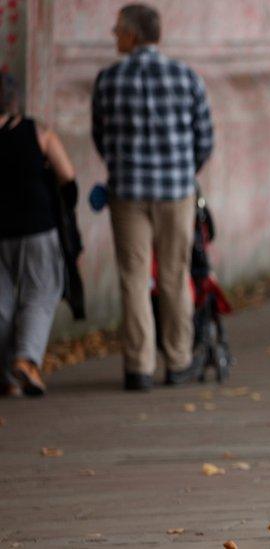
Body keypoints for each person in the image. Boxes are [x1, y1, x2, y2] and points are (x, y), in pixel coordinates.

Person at [91, 4, 214, 391]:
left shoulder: (108, 80)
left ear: (133, 34)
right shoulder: (186, 77)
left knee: (133, 277)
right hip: (176, 192)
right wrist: (181, 169)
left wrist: (123, 166)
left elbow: (100, 135)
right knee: (175, 276)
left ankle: (138, 367)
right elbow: (205, 138)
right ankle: (178, 361)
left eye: (118, 30)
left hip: (127, 193)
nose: (115, 36)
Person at [0, 73, 80, 397]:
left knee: (1, 304)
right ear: (15, 100)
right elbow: (68, 178)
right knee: (40, 294)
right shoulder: (38, 132)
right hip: (37, 227)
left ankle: (5, 377)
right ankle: (26, 360)